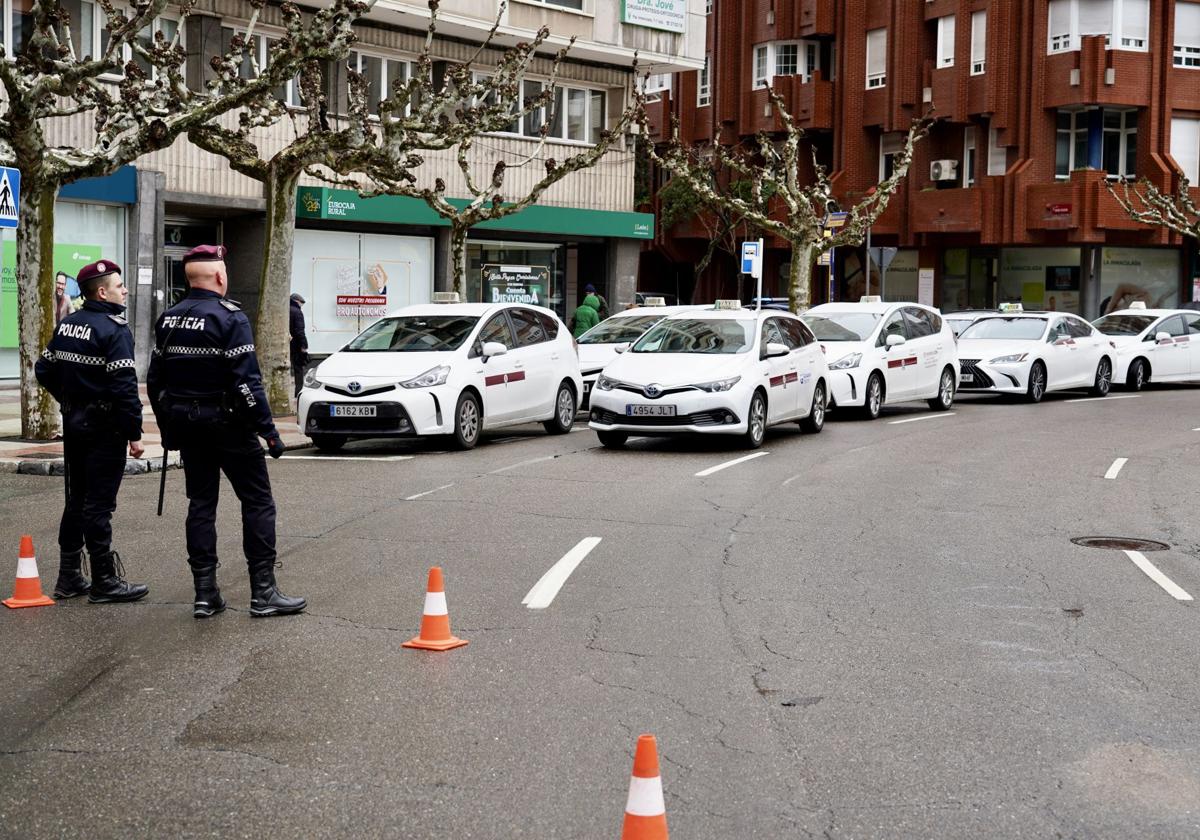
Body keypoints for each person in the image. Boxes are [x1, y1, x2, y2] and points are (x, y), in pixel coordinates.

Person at [147, 244, 305, 619]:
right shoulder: (230, 318)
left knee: (201, 505)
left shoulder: (168, 319)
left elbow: (155, 381)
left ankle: (205, 594)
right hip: (229, 426)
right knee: (257, 502)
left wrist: (168, 427)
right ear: (220, 276)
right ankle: (263, 593)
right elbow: (247, 383)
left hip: (188, 425)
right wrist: (269, 431)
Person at [34, 259, 150, 604]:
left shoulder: (69, 324)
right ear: (102, 292)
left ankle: (68, 576)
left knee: (77, 500)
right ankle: (104, 581)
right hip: (105, 429)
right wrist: (134, 433)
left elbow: (44, 369)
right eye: (119, 285)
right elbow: (124, 388)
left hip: (75, 424)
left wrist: (69, 400)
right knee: (99, 505)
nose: (124, 290)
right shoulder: (114, 330)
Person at [289, 292, 308, 399]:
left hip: (287, 343)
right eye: (301, 303)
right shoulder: (297, 312)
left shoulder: (285, 310)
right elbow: (300, 331)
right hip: (296, 344)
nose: (301, 306)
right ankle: (298, 392)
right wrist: (304, 345)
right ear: (297, 302)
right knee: (298, 369)